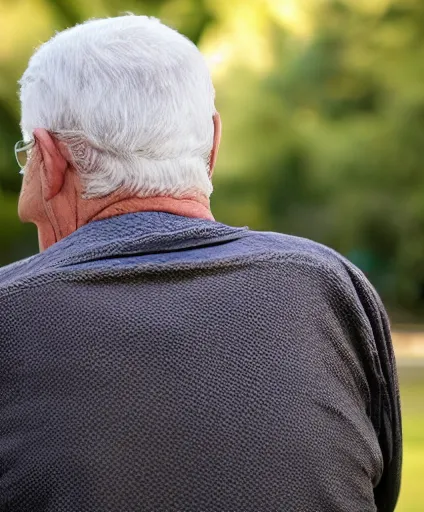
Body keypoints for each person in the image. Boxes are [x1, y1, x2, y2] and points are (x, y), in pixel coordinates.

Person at [0, 15, 401, 512]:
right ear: (212, 146)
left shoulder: (8, 311)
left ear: (49, 160)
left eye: (26, 162)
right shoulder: (331, 290)